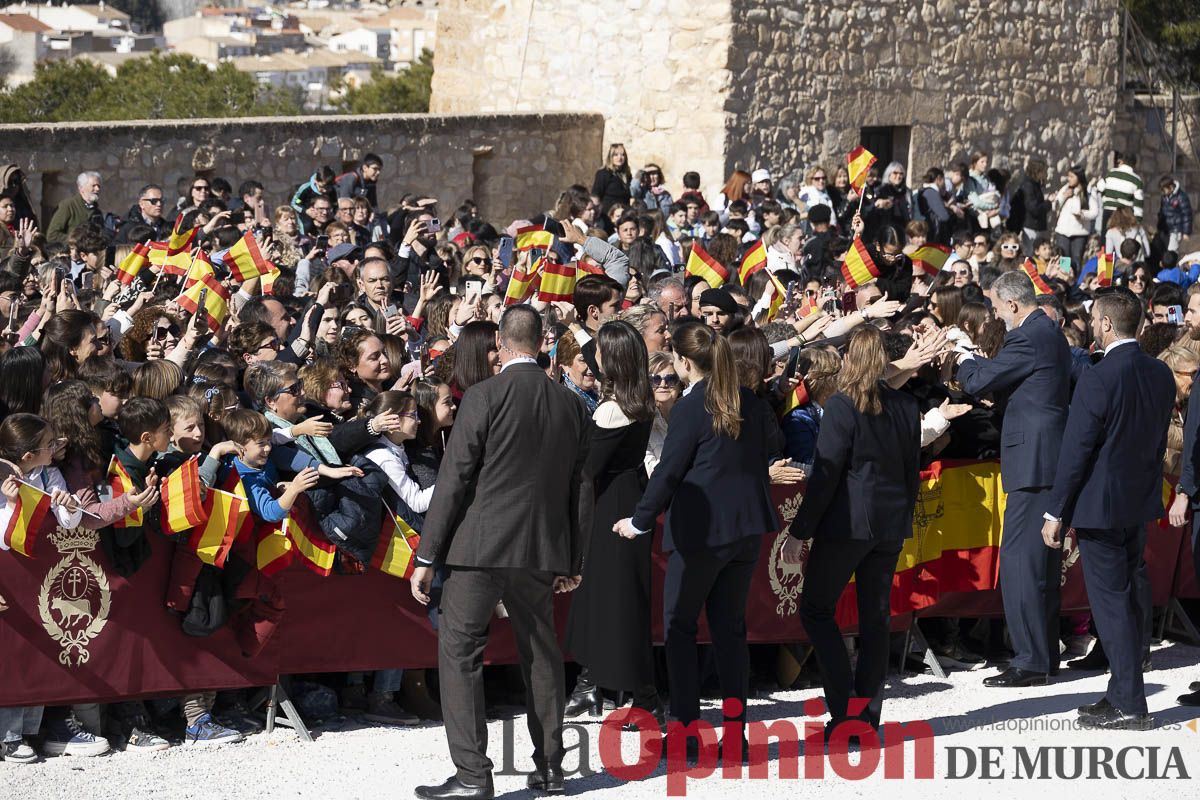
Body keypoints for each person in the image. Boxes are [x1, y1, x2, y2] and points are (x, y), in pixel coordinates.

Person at [410, 305, 591, 799]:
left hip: (479, 547)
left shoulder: (483, 396)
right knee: (542, 653)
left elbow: (454, 478)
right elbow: (581, 487)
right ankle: (551, 768)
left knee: (460, 652)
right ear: (542, 343)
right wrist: (574, 559)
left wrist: (428, 555)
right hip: (540, 548)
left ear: (503, 348)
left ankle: (472, 776)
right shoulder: (572, 404)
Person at [613, 320, 778, 760]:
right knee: (730, 632)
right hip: (745, 531)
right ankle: (735, 736)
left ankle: (686, 730)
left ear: (685, 362)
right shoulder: (748, 401)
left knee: (680, 629)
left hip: (702, 534)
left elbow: (668, 471)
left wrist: (639, 521)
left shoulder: (692, 407)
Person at [1042, 288, 1175, 730]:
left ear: (1103, 324)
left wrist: (1054, 510)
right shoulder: (1160, 374)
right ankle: (1121, 690)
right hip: (1137, 502)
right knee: (1127, 598)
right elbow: (1157, 443)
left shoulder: (1098, 377)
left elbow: (1076, 450)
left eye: (1094, 318)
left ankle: (1131, 704)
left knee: (1112, 603)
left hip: (1101, 506)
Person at [782, 325, 920, 736]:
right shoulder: (906, 406)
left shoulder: (843, 406)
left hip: (848, 524)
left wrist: (799, 531)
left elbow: (825, 476)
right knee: (874, 617)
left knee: (816, 609)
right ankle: (867, 715)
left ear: (848, 360)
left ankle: (845, 711)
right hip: (889, 524)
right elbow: (910, 471)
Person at [957, 270, 1071, 687]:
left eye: (997, 308)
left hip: (1033, 462)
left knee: (1022, 564)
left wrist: (963, 355)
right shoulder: (1049, 331)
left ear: (1013, 304)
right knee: (1040, 563)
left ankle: (1029, 659)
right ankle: (1042, 656)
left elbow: (977, 379)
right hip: (1046, 457)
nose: (996, 317)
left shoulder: (1026, 335)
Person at [564, 321, 657, 723]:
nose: (591, 358)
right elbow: (593, 352)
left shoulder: (612, 409)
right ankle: (590, 686)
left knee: (617, 602)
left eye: (599, 352)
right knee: (601, 598)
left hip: (610, 508)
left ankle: (646, 696)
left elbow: (588, 468)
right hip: (627, 500)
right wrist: (575, 326)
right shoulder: (640, 397)